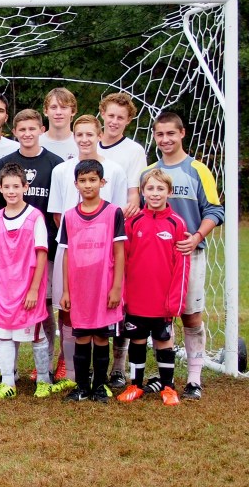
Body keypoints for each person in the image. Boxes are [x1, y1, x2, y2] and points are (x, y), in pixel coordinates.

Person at [145, 110, 225, 400]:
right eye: (160, 134)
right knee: (158, 317)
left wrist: (196, 237)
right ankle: (164, 376)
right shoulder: (149, 173)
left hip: (188, 253)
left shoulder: (198, 170)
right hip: (155, 258)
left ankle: (194, 378)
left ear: (182, 134)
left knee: (190, 315)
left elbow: (215, 211)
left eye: (170, 133)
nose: (165, 139)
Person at [47, 114, 127, 382]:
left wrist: (116, 284)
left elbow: (117, 231)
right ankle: (72, 372)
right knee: (71, 316)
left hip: (104, 264)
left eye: (89, 134)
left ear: (99, 136)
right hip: (75, 259)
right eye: (79, 134)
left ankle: (105, 378)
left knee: (102, 327)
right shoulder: (62, 172)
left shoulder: (114, 174)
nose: (84, 139)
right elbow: (58, 217)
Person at [117, 169, 190, 405]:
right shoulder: (133, 222)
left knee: (163, 339)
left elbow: (182, 265)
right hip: (137, 297)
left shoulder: (177, 223)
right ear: (142, 192)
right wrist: (123, 294)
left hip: (163, 298)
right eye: (150, 188)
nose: (155, 193)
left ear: (169, 192)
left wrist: (176, 299)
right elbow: (123, 260)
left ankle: (168, 387)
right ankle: (136, 385)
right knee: (137, 338)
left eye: (160, 189)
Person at [59, 159, 126, 403]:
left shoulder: (113, 212)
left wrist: (116, 288)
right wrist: (66, 291)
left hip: (103, 286)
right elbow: (67, 254)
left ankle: (99, 386)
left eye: (93, 180)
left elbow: (119, 252)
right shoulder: (69, 216)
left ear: (102, 182)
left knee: (100, 337)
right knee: (81, 336)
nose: (88, 185)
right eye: (83, 181)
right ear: (76, 184)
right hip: (80, 288)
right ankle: (81, 387)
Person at [5, 109, 64, 380]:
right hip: (12, 253)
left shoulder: (55, 164)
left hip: (45, 248)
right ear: (14, 132)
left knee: (45, 304)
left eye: (32, 128)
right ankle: (7, 365)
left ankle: (46, 363)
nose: (27, 134)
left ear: (42, 130)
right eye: (22, 129)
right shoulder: (6, 164)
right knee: (9, 303)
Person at [96, 91, 148, 388]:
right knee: (95, 296)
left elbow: (134, 196)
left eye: (121, 117)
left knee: (120, 298)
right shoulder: (89, 143)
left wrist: (122, 215)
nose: (114, 121)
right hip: (90, 234)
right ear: (102, 114)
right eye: (111, 115)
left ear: (128, 121)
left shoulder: (134, 151)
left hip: (119, 232)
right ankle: (89, 363)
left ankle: (118, 366)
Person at [0, 164, 51, 400]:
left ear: (26, 187)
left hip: (27, 288)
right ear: (0, 188)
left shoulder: (35, 217)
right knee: (4, 335)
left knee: (36, 335)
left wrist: (34, 289)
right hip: (3, 289)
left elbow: (41, 254)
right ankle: (7, 382)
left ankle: (43, 380)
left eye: (16, 186)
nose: (11, 191)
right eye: (7, 187)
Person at [39, 87, 79, 162]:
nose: (58, 112)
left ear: (73, 111)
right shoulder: (36, 144)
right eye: (53, 107)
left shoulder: (82, 144)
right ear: (45, 111)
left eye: (63, 107)